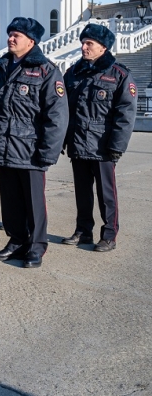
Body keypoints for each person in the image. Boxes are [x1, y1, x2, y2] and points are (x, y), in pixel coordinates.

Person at [0, 17, 68, 268]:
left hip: (30, 150)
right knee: (10, 200)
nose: (10, 38)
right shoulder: (0, 68)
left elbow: (57, 115)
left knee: (33, 201)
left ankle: (37, 246)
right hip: (4, 147)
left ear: (31, 41)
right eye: (10, 34)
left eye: (16, 35)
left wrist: (48, 153)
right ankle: (17, 241)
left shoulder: (46, 71)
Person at [62, 23, 137, 252]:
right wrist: (63, 139)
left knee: (106, 194)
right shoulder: (74, 72)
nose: (83, 47)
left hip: (103, 146)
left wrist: (116, 147)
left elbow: (125, 114)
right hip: (78, 143)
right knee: (82, 192)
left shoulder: (119, 74)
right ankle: (83, 231)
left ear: (103, 47)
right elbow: (63, 108)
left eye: (89, 43)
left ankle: (109, 235)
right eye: (83, 43)